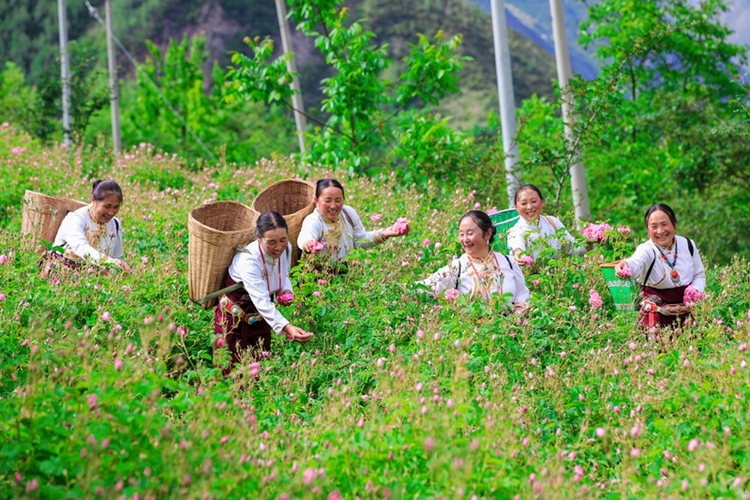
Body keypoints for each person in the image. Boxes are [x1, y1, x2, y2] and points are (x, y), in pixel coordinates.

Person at [215, 211, 313, 374]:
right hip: (234, 320)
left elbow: (283, 273)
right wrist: (288, 328)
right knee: (232, 373)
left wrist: (286, 289)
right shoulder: (249, 260)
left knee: (260, 369)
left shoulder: (286, 248)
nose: (279, 247)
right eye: (271, 242)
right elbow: (262, 300)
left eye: (283, 239)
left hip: (260, 318)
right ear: (259, 239)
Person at [615, 203, 706, 329]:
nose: (660, 231)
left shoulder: (688, 245)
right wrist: (626, 266)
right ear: (648, 231)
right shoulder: (646, 249)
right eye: (654, 226)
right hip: (655, 318)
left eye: (664, 224)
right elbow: (636, 263)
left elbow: (699, 275)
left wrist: (695, 290)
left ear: (675, 225)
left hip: (686, 318)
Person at [420, 210, 530, 313]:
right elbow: (428, 287)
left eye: (470, 233)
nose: (465, 239)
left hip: (509, 328)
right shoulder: (457, 267)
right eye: (461, 234)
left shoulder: (508, 262)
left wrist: (519, 312)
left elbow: (522, 293)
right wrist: (404, 289)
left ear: (487, 234)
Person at [297, 178, 408, 262]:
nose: (333, 206)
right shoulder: (314, 220)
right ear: (316, 201)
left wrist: (384, 234)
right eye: (328, 200)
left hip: (348, 275)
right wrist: (308, 243)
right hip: (320, 279)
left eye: (338, 200)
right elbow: (307, 235)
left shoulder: (348, 213)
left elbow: (360, 240)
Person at [50, 179, 130, 272]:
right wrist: (107, 261)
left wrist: (121, 266)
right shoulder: (75, 218)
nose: (111, 212)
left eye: (116, 207)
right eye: (107, 206)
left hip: (95, 279)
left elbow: (117, 256)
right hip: (62, 276)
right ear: (93, 200)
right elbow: (81, 247)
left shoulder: (115, 224)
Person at [507, 184, 580, 265]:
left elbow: (572, 249)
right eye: (524, 203)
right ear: (516, 207)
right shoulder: (515, 231)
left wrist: (589, 242)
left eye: (534, 201)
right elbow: (517, 247)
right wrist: (520, 255)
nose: (529, 207)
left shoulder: (552, 222)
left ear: (542, 202)